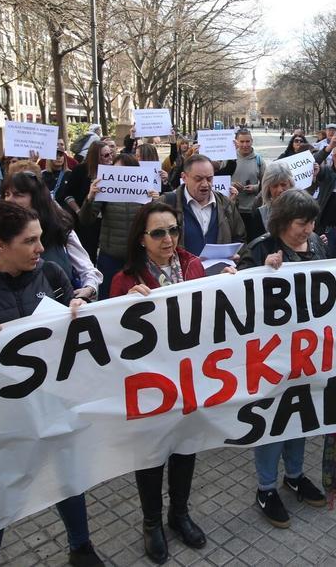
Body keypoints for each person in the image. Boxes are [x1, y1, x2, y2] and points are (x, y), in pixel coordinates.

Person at [0, 202, 101, 567]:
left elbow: (77, 339)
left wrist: (81, 311)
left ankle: (82, 547)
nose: (40, 249)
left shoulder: (54, 276)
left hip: (51, 405)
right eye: (29, 241)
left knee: (67, 480)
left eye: (40, 239)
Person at [110, 202, 221, 563]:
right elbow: (110, 339)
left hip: (190, 378)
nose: (168, 239)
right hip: (150, 385)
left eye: (173, 230)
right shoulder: (125, 279)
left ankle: (180, 514)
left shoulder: (193, 265)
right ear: (141, 239)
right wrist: (121, 308)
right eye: (158, 233)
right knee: (152, 455)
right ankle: (152, 522)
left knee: (185, 448)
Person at [238, 190, 331, 527]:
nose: (307, 229)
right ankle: (266, 487)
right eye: (300, 223)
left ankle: (293, 475)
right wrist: (262, 271)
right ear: (282, 221)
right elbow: (237, 296)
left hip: (310, 351)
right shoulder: (261, 247)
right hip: (272, 354)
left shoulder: (318, 245)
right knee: (274, 419)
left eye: (311, 223)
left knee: (301, 415)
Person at [0, 171, 101, 300]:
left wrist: (89, 288)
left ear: (36, 199)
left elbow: (87, 269)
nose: (9, 200)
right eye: (6, 194)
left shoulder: (60, 228)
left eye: (18, 195)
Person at [79, 153, 154, 298]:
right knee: (108, 298)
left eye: (124, 171)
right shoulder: (105, 190)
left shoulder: (145, 191)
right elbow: (86, 220)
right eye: (116, 171)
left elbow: (154, 221)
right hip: (111, 257)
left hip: (139, 256)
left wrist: (155, 202)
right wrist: (90, 198)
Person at [161, 154, 245, 259]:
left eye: (209, 179)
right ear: (184, 177)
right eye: (198, 179)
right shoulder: (168, 203)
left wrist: (236, 257)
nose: (205, 184)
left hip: (218, 273)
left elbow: (240, 239)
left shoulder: (226, 204)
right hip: (181, 274)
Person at [58, 140, 114, 259]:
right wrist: (79, 211)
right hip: (85, 221)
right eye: (106, 155)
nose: (110, 158)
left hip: (107, 221)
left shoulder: (114, 170)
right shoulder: (80, 170)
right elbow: (68, 195)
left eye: (111, 154)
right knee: (88, 254)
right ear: (96, 157)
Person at [219, 129, 265, 228]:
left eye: (247, 141)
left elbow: (266, 183)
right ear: (236, 142)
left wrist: (255, 188)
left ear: (252, 141)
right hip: (231, 208)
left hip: (252, 209)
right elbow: (219, 181)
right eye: (242, 141)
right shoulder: (228, 158)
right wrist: (231, 185)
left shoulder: (259, 160)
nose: (245, 145)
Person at [245, 161, 294, 242]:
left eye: (283, 184)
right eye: (275, 186)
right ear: (268, 189)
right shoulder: (260, 213)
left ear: (290, 184)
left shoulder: (302, 208)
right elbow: (255, 245)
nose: (280, 190)